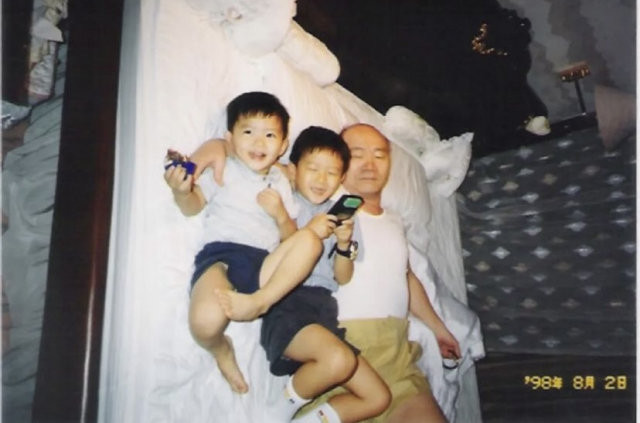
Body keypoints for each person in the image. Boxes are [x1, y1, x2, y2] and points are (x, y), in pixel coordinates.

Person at [299, 123, 461, 423]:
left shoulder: (395, 222)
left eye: (379, 155)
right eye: (357, 154)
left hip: (396, 358)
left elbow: (406, 276)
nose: (370, 165)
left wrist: (439, 329)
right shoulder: (324, 208)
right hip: (341, 357)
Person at [164, 91, 323, 394]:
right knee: (204, 324)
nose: (259, 142)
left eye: (270, 135)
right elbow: (193, 206)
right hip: (221, 257)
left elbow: (291, 239)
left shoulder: (280, 181)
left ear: (283, 146)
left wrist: (280, 214)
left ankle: (260, 302)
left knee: (310, 241)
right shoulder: (225, 168)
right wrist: (182, 192)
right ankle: (220, 349)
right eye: (248, 132)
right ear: (230, 138)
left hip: (265, 264)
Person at [261, 126, 391, 423]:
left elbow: (343, 277)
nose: (322, 180)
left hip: (324, 312)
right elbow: (263, 163)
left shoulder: (343, 215)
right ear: (294, 169)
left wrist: (344, 244)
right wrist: (308, 227)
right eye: (313, 169)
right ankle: (273, 415)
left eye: (332, 173)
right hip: (289, 303)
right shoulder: (287, 201)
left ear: (342, 178)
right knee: (338, 360)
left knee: (378, 398)